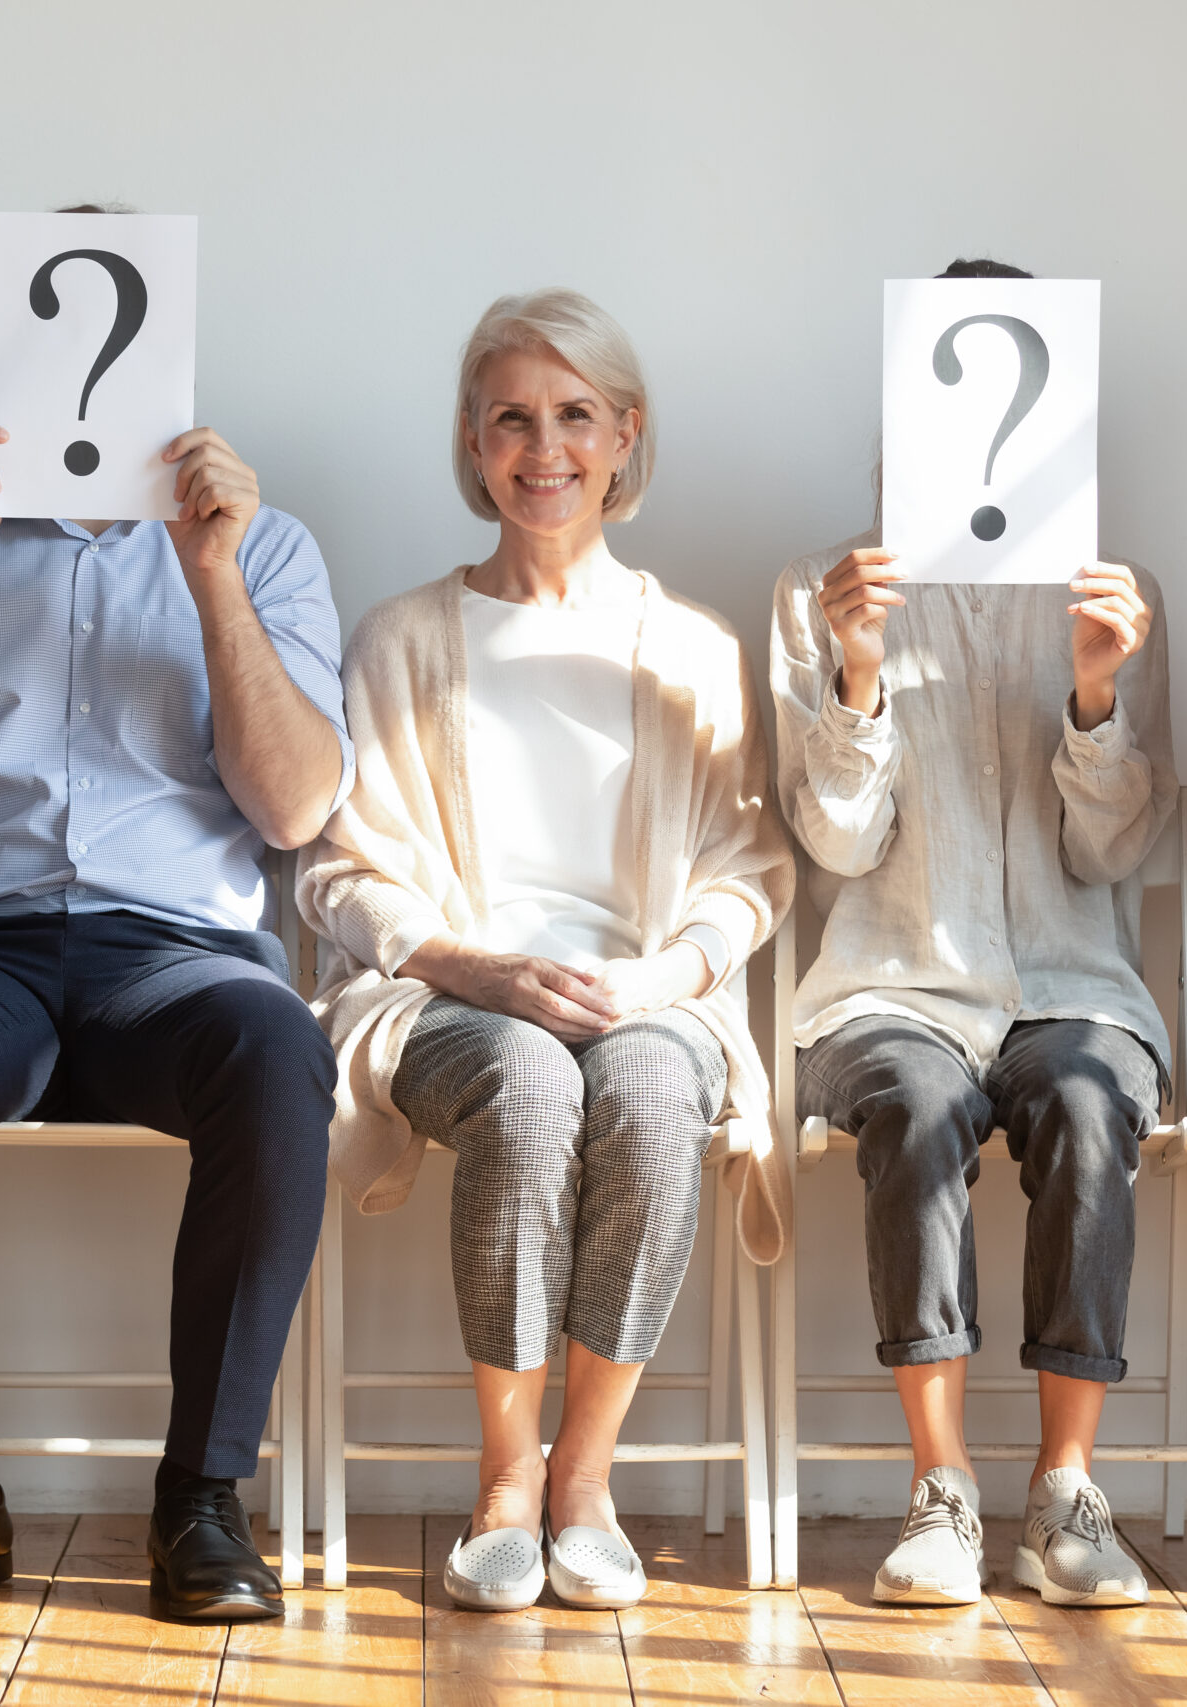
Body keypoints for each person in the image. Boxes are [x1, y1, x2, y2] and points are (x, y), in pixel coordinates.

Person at [0, 346, 350, 1619]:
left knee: (277, 1059)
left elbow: (300, 804)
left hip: (179, 962)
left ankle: (202, 1501)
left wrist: (211, 577)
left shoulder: (265, 549)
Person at [302, 288, 792, 1612]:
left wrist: (657, 979)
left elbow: (748, 875)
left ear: (625, 436)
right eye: (511, 417)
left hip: (644, 995)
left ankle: (586, 1476)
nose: (544, 448)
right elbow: (343, 874)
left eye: (576, 414)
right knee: (528, 1080)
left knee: (641, 1081)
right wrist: (479, 968)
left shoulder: (692, 650)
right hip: (448, 996)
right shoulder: (403, 637)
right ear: (471, 439)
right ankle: (507, 1479)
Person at [773, 260, 1175, 1608]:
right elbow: (833, 847)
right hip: (887, 991)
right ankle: (940, 1486)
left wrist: (1097, 690)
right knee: (922, 1094)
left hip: (1072, 988)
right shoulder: (826, 595)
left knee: (1084, 1090)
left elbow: (1111, 853)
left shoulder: (1110, 597)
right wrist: (857, 675)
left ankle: (1067, 1487)